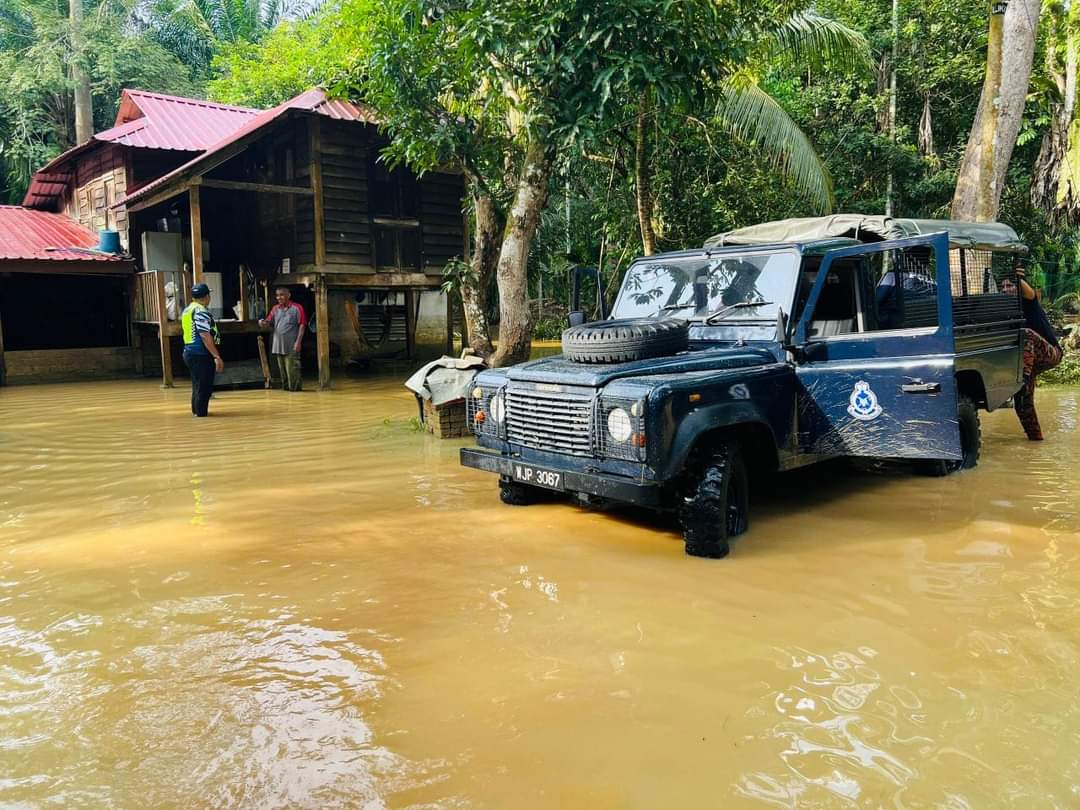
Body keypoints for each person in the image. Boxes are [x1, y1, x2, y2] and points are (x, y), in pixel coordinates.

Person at [1008, 263, 1063, 440]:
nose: (1006, 289)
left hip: (1051, 353)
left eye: (1010, 285)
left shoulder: (1029, 302)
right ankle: (1036, 440)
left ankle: (1022, 378)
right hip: (1027, 360)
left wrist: (1019, 278)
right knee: (1023, 403)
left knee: (1026, 334)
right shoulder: (1007, 311)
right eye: (1003, 286)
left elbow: (1030, 293)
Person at [181, 283, 223, 417]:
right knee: (204, 386)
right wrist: (216, 356)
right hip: (201, 354)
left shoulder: (188, 310)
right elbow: (205, 335)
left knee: (197, 385)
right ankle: (201, 415)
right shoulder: (200, 311)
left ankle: (196, 412)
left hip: (189, 352)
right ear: (206, 297)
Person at [259, 286, 306, 391]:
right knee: (283, 373)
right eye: (277, 295)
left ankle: (295, 393)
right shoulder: (275, 309)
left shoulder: (297, 308)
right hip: (278, 345)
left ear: (288, 295)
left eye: (281, 295)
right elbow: (268, 322)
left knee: (292, 371)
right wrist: (262, 322)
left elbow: (302, 325)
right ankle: (287, 394)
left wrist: (298, 342)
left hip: (291, 345)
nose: (279, 297)